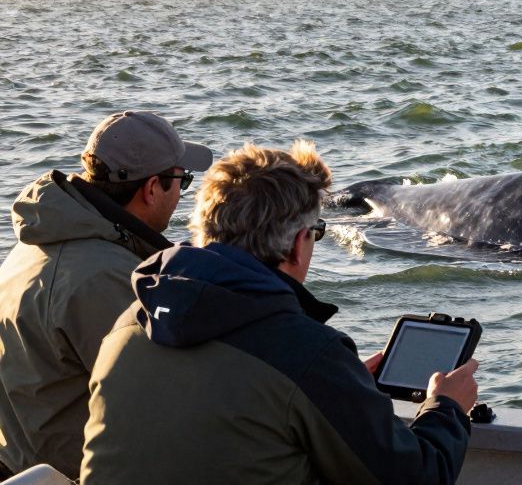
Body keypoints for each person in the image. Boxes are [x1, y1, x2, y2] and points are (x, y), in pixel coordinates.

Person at [80, 140, 478, 484]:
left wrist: (344, 388)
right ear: (297, 244)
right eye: (316, 234)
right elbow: (418, 477)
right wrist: (446, 408)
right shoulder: (305, 355)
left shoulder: (132, 321)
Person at [0, 111, 212, 479]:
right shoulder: (107, 278)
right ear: (151, 189)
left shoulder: (37, 240)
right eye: (183, 181)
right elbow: (164, 404)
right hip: (76, 473)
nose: (181, 193)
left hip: (20, 461)